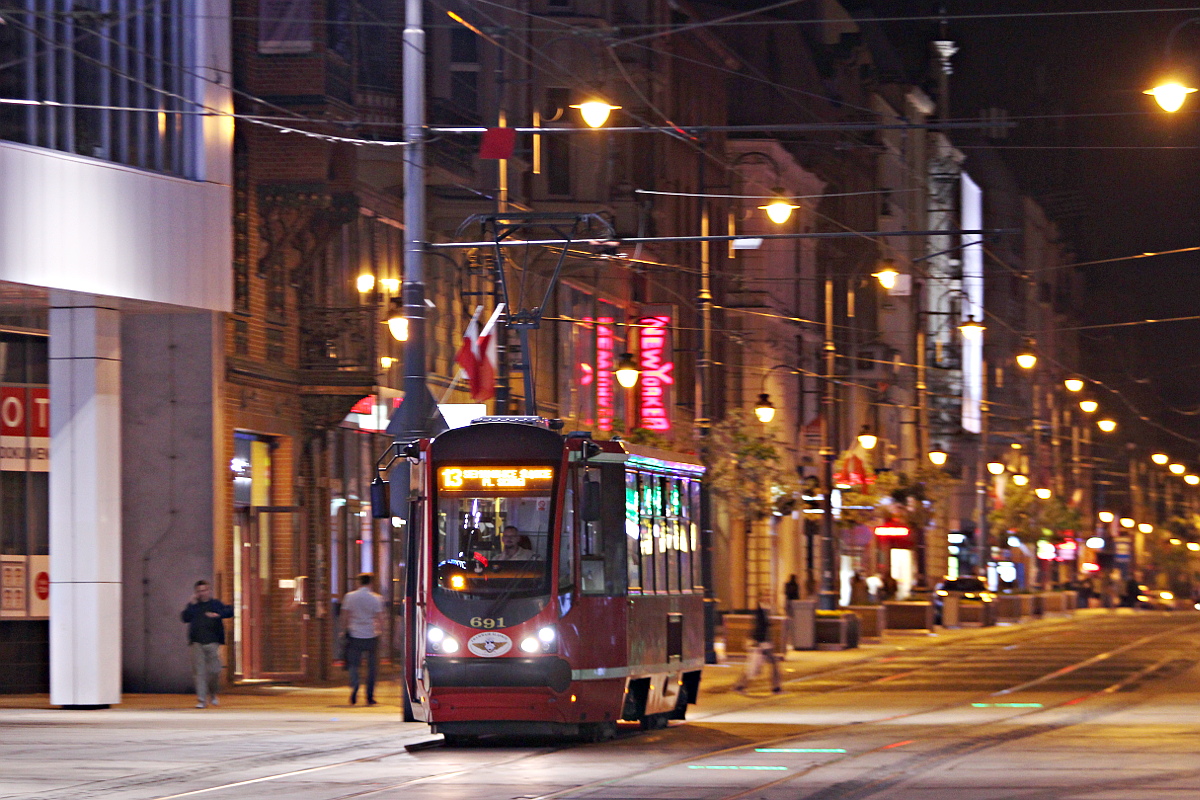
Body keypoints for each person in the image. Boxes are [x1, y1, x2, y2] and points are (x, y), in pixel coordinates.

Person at [181, 580, 233, 709]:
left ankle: (213, 693)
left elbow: (230, 611)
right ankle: (202, 700)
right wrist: (191, 604)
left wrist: (218, 614)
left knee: (215, 670)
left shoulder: (215, 604)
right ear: (196, 593)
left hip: (213, 642)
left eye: (204, 590)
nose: (202, 593)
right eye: (199, 591)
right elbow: (185, 618)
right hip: (196, 642)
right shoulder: (194, 606)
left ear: (209, 591)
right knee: (199, 672)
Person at [341, 572, 386, 706]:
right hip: (371, 635)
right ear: (371, 583)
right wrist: (382, 633)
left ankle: (355, 685)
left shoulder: (350, 597)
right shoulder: (376, 599)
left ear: (359, 582)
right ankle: (369, 696)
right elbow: (380, 618)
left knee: (354, 664)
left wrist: (344, 630)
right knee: (372, 668)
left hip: (355, 634)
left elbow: (345, 615)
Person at [731, 592, 782, 695]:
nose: (768, 598)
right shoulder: (760, 611)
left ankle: (740, 686)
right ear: (760, 598)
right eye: (766, 596)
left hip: (764, 642)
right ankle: (740, 686)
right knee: (755, 666)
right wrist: (759, 643)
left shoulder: (765, 610)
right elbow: (758, 627)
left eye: (768, 596)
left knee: (758, 665)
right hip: (761, 643)